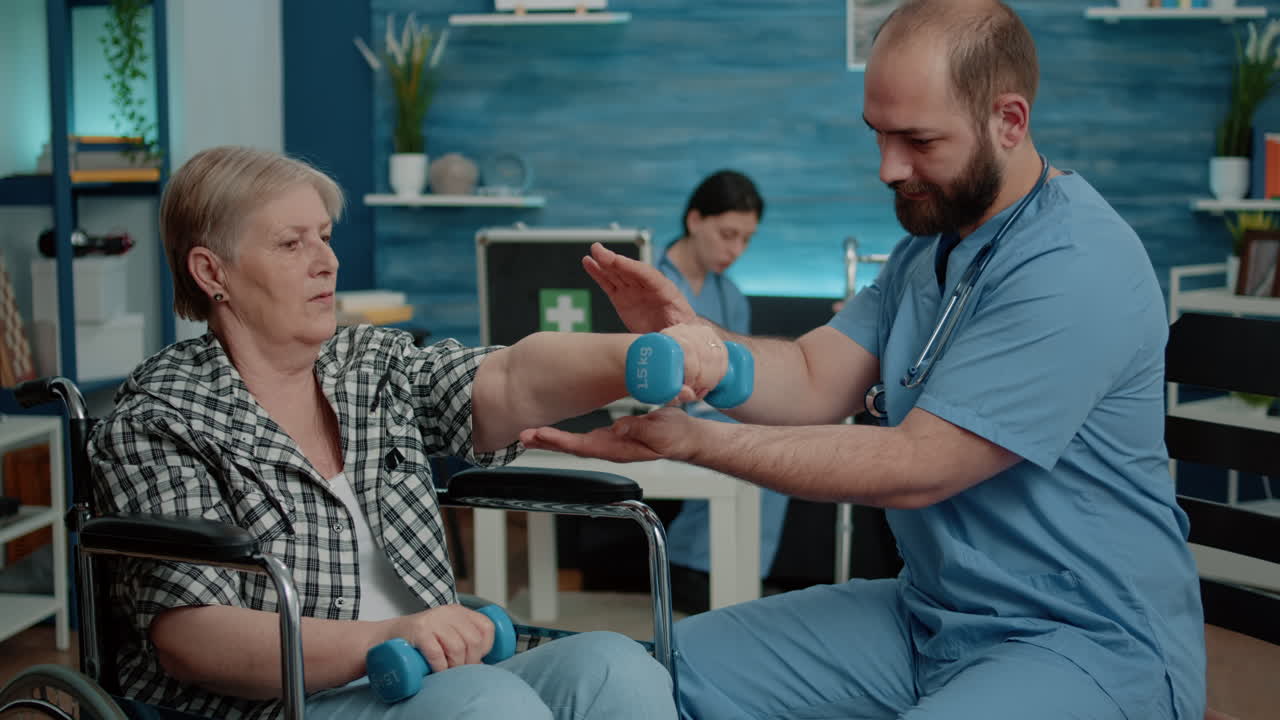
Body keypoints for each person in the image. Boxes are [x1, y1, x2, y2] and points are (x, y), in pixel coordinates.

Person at [521, 2, 1205, 718]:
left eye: (917, 140)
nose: (888, 168)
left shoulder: (1075, 264)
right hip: (932, 616)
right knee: (651, 677)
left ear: (1010, 120)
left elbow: (918, 468)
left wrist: (698, 441)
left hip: (1086, 642)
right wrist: (706, 349)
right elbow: (816, 376)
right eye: (877, 135)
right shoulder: (929, 247)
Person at [86, 146, 716, 720]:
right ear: (210, 270)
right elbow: (195, 640)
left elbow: (510, 380)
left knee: (615, 667)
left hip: (428, 678)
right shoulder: (160, 419)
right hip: (286, 705)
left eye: (326, 238)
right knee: (489, 705)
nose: (326, 261)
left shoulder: (369, 364)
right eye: (291, 244)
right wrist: (384, 639)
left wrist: (645, 355)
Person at [655, 169, 790, 614]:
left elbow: (735, 378)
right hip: (652, 404)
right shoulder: (647, 276)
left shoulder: (731, 297)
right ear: (695, 220)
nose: (735, 250)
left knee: (778, 445)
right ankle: (691, 569)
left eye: (746, 240)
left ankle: (739, 577)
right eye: (728, 234)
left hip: (710, 409)